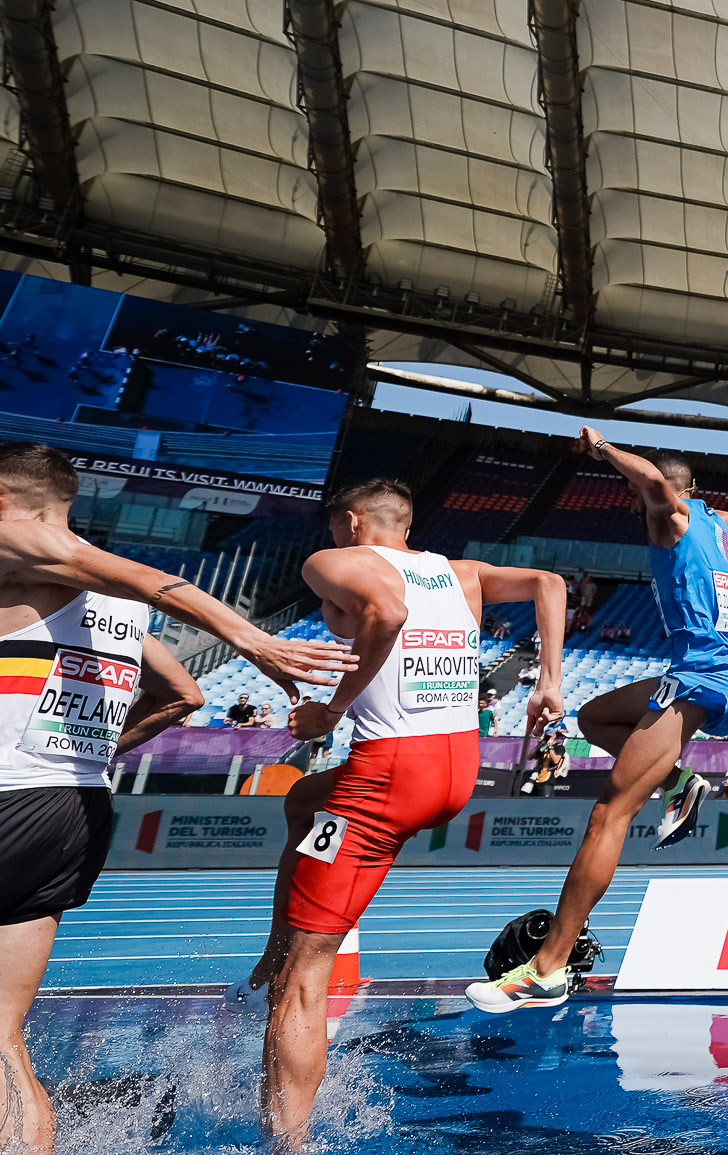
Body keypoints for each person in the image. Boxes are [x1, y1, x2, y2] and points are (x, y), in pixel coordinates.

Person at [0, 442, 348, 1155]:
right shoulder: (112, 606)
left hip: (9, 798)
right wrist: (97, 750)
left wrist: (253, 641)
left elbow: (151, 578)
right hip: (71, 804)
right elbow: (183, 693)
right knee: (3, 1032)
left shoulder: (25, 544)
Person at [246, 479, 566, 1147]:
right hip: (454, 770)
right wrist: (548, 681)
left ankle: (286, 1142)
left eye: (337, 532)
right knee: (304, 800)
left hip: (387, 774)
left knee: (306, 977)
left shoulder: (334, 560)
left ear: (351, 522)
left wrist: (331, 711)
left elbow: (388, 614)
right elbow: (550, 582)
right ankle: (277, 946)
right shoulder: (460, 573)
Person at [465, 432, 728, 1014]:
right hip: (718, 672)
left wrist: (605, 450)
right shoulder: (720, 520)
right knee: (595, 717)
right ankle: (680, 782)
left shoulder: (673, 518)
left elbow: (655, 483)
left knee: (608, 815)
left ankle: (547, 968)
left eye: (639, 497)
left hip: (701, 675)